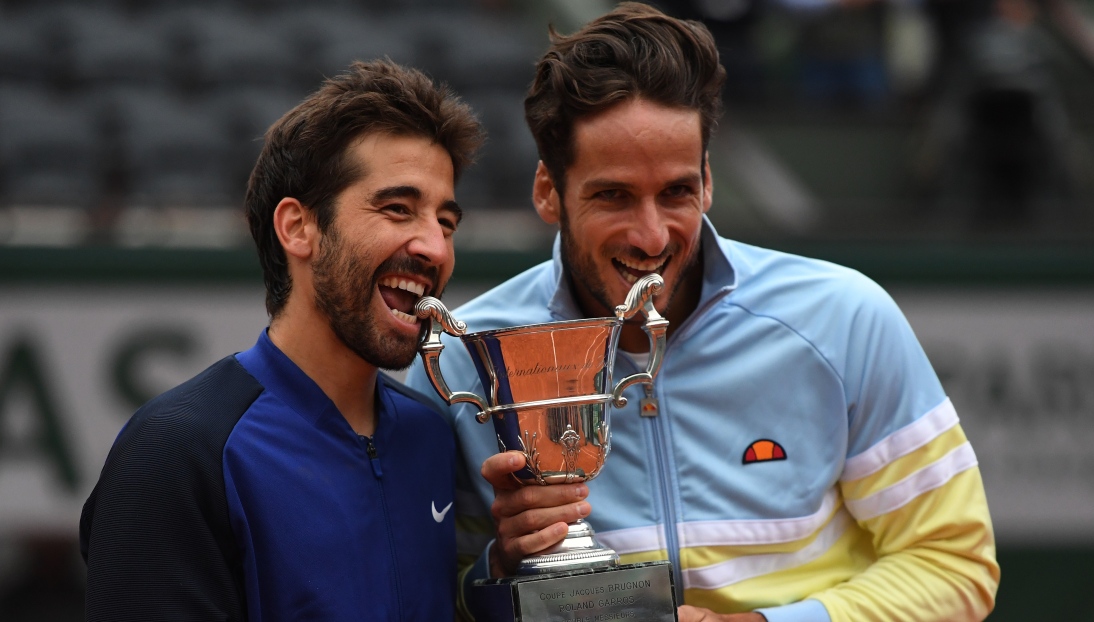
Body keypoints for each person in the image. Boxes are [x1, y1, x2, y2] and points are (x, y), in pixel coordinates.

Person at [405, 4, 999, 621]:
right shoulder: (464, 358)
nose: (652, 235)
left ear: (708, 182)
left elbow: (955, 565)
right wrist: (501, 567)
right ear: (548, 193)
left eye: (676, 192)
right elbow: (422, 599)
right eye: (614, 195)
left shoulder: (844, 318)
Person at [80, 59, 484, 621]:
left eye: (446, 222)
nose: (436, 249)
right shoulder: (177, 448)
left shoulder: (430, 434)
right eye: (398, 208)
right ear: (298, 227)